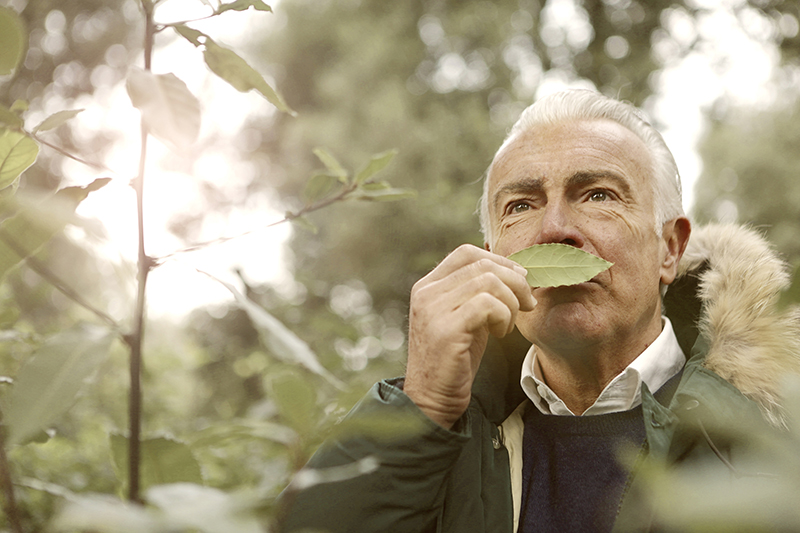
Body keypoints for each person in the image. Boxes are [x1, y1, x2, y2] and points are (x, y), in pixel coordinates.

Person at [280, 90, 800, 532]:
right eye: (520, 206)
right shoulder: (443, 438)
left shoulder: (771, 428)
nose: (554, 230)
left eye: (598, 194)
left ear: (669, 248)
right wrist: (423, 409)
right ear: (491, 253)